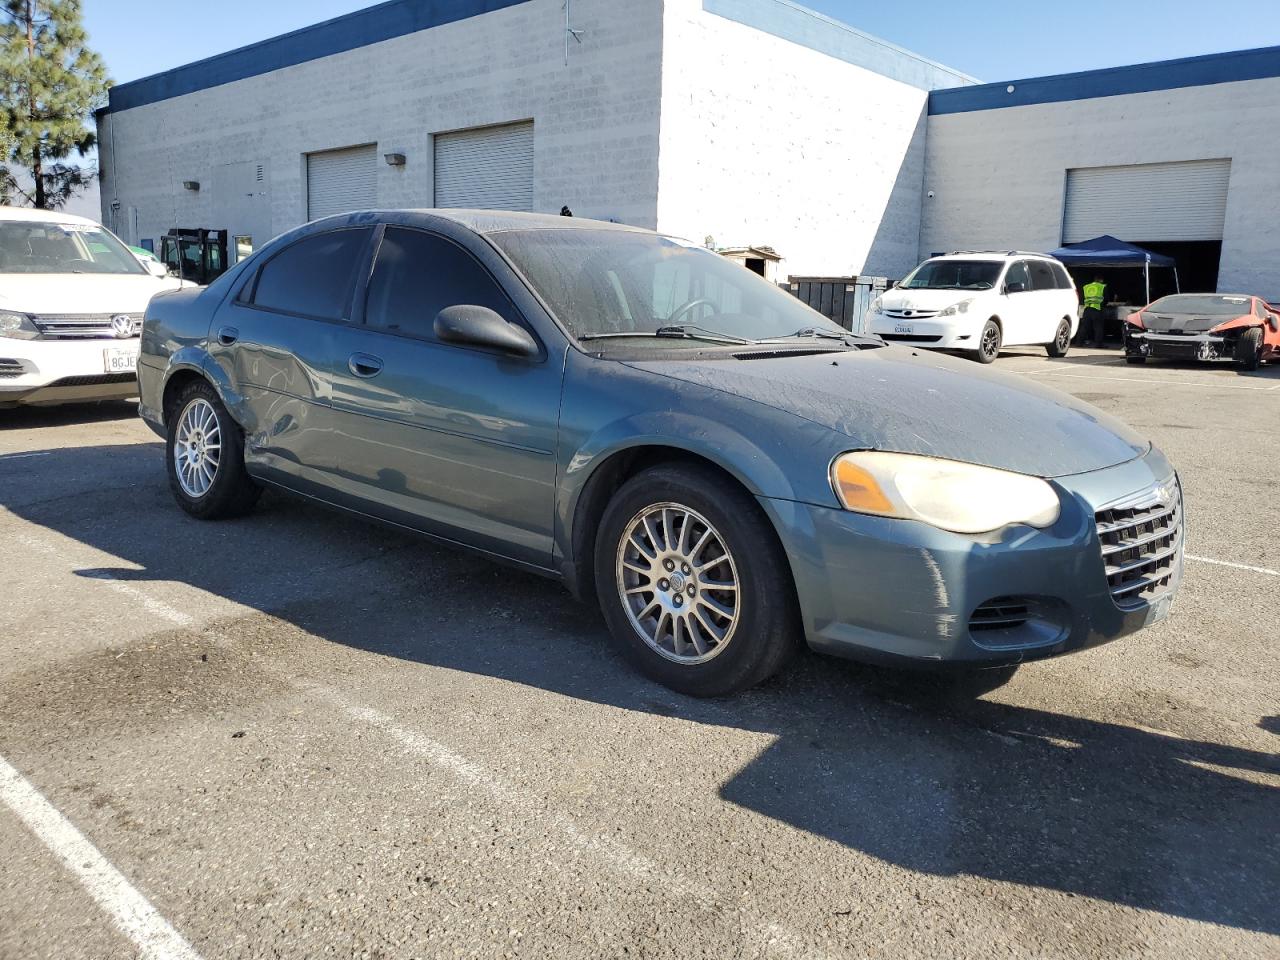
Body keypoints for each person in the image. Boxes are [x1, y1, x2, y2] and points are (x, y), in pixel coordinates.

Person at [1081, 274, 1108, 347]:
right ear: (1101, 280)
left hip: (1087, 309)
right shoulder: (1102, 287)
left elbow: (1083, 298)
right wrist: (1103, 306)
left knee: (1084, 327)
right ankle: (1098, 344)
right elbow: (1106, 299)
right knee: (1098, 327)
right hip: (1097, 309)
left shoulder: (1086, 287)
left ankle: (1079, 343)